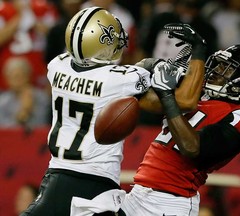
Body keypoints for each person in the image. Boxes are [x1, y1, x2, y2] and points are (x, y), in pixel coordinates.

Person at [121, 23, 240, 215]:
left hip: (169, 202)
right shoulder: (200, 97)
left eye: (226, 69)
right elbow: (149, 101)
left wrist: (167, 95)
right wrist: (140, 77)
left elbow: (192, 147)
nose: (216, 71)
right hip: (141, 191)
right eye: (219, 65)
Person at [20, 6, 152, 216]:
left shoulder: (57, 66)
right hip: (97, 180)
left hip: (58, 173)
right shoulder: (119, 78)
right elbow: (148, 72)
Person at [0, 56, 50, 128]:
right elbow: (4, 130)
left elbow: (42, 126)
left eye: (20, 76)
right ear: (7, 79)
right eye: (14, 77)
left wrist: (29, 110)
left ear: (28, 76)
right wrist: (24, 113)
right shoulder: (2, 101)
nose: (17, 81)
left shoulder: (42, 98)